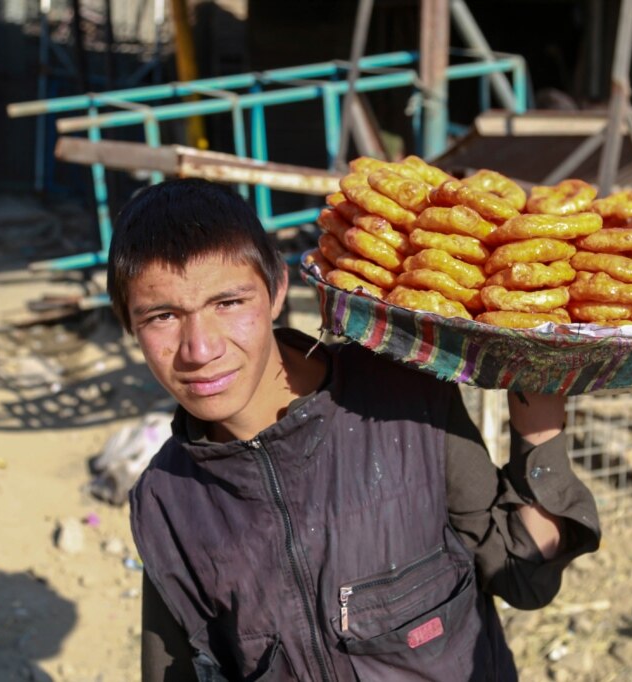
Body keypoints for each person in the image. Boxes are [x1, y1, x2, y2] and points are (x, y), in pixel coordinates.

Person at [106, 178, 602, 681]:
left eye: (228, 303)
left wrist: (539, 417)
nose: (200, 349)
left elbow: (522, 575)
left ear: (277, 288)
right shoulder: (166, 504)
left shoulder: (403, 399)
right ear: (129, 324)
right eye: (163, 316)